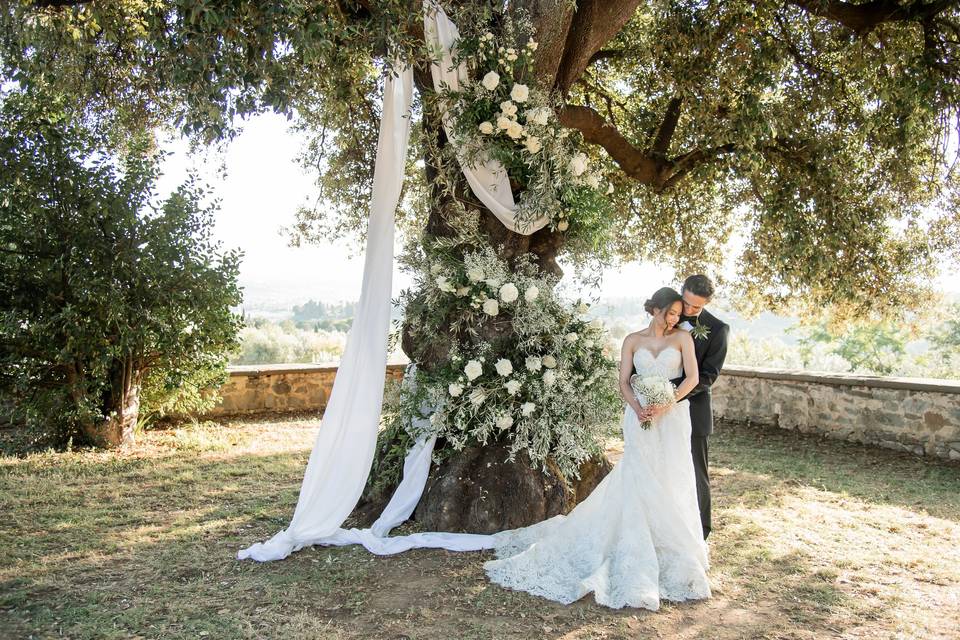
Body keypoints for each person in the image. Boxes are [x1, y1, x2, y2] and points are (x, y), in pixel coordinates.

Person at [483, 287, 711, 610]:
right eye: (671, 312)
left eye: (678, 314)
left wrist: (665, 403)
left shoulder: (682, 340)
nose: (676, 319)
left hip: (670, 419)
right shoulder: (633, 340)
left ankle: (670, 548)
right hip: (639, 417)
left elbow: (692, 378)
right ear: (655, 309)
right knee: (637, 478)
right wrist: (637, 407)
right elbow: (623, 382)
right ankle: (633, 545)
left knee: (669, 479)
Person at [671, 275, 729, 540]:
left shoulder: (718, 329)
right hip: (663, 413)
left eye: (696, 307)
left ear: (706, 304)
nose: (689, 310)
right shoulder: (667, 319)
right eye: (686, 303)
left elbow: (708, 376)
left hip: (694, 410)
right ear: (681, 293)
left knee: (697, 474)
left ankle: (701, 531)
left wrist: (672, 394)